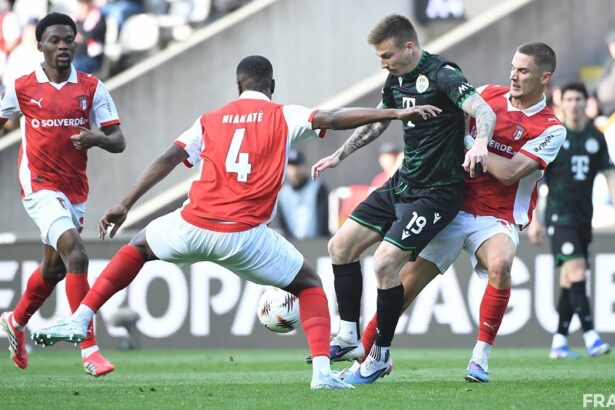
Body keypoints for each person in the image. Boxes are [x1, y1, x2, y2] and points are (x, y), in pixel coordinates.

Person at [30, 55, 441, 389]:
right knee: (309, 286)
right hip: (245, 235)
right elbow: (333, 118)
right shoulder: (283, 114)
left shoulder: (209, 119)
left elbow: (168, 158)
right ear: (272, 85)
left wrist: (125, 204)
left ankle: (81, 318)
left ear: (237, 86)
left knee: (137, 247)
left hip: (192, 224)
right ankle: (321, 374)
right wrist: (394, 112)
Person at [334, 42, 566, 385]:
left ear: (545, 77)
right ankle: (367, 362)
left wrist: (471, 143)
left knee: (501, 264)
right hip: (449, 205)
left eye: (523, 71)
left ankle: (480, 358)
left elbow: (509, 172)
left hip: (496, 216)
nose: (514, 76)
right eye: (513, 67)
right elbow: (447, 120)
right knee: (401, 289)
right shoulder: (486, 95)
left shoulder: (551, 128)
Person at [310, 14, 495, 383]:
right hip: (403, 183)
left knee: (383, 264)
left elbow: (483, 110)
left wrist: (480, 143)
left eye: (387, 55)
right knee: (340, 246)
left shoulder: (443, 74)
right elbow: (380, 121)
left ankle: (380, 355)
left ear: (410, 47)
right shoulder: (395, 78)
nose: (383, 63)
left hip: (437, 193)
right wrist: (339, 155)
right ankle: (348, 336)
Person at [0, 12, 126, 376]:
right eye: (54, 40)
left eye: (68, 40)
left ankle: (15, 320)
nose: (63, 46)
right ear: (40, 45)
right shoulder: (22, 87)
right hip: (38, 185)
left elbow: (118, 140)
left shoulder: (92, 87)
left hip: (74, 190)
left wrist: (96, 138)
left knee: (54, 269)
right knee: (77, 254)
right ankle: (89, 350)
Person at [527, 82, 614, 359]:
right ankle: (591, 337)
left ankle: (559, 342)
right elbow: (536, 180)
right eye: (569, 99)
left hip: (583, 218)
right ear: (561, 103)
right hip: (559, 217)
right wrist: (535, 220)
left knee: (569, 280)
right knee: (577, 273)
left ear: (586, 103)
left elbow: (609, 173)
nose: (574, 104)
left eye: (578, 99)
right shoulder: (554, 137)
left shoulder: (595, 137)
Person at [277, 148, 329, 240]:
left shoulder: (317, 188)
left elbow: (322, 224)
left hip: (316, 243)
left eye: (298, 165)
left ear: (304, 166)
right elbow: (284, 226)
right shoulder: (283, 194)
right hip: (292, 244)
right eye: (291, 166)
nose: (295, 170)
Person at [73, 0, 106, 74]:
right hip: (75, 58)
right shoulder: (76, 21)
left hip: (92, 59)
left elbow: (89, 36)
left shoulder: (98, 18)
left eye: (86, 3)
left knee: (76, 67)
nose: (84, 7)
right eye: (81, 4)